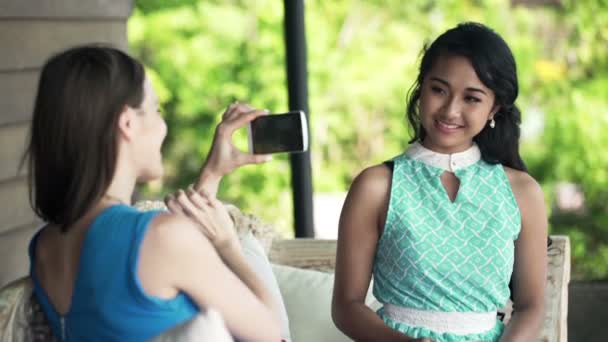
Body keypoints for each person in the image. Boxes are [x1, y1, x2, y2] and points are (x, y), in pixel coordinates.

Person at [24, 45, 281, 341]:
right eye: (157, 110)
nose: (163, 126)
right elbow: (272, 333)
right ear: (128, 123)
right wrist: (228, 245)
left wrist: (212, 173)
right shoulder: (160, 237)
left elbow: (145, 297)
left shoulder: (45, 246)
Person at [331, 22, 547, 342]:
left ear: (495, 108)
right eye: (439, 90)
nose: (450, 110)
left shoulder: (522, 192)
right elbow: (346, 306)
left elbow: (531, 306)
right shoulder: (377, 186)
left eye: (472, 98)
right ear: (421, 89)